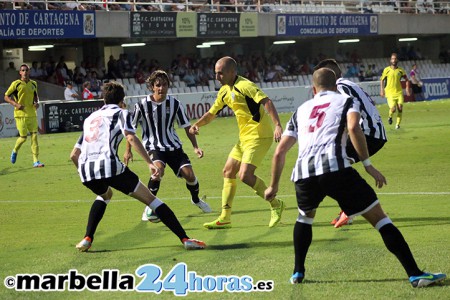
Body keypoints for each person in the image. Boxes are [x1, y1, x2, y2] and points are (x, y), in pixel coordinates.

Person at [265, 67, 446, 287]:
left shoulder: (300, 109)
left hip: (304, 174)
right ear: (336, 85)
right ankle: (415, 274)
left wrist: (273, 186)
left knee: (304, 218)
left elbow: (279, 151)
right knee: (380, 219)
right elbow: (353, 127)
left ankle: (297, 273)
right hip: (336, 168)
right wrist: (368, 165)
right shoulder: (346, 101)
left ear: (313, 88)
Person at [70, 81, 206, 252]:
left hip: (85, 170)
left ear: (104, 99)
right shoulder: (121, 113)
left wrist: (85, 173)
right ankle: (186, 239)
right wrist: (149, 163)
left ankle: (87, 238)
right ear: (122, 100)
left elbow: (74, 154)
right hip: (110, 166)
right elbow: (131, 138)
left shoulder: (90, 118)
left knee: (105, 195)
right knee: (152, 200)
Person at [189, 56, 285, 229]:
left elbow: (266, 101)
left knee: (245, 175)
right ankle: (225, 217)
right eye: (215, 73)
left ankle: (276, 204)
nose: (217, 77)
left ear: (232, 72)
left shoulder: (245, 86)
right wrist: (197, 124)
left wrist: (278, 125)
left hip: (259, 135)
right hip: (244, 138)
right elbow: (211, 113)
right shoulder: (224, 91)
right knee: (228, 171)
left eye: (220, 73)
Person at [123, 70, 212, 219]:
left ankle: (196, 199)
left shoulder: (175, 104)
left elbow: (186, 127)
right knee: (158, 171)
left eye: (164, 85)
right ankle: (149, 207)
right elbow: (130, 131)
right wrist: (128, 150)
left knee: (190, 176)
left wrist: (195, 147)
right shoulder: (142, 105)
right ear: (152, 86)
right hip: (153, 147)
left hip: (174, 146)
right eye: (158, 85)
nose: (161, 88)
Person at [314, 58, 387, 228]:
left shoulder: (341, 86)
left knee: (332, 168)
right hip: (372, 132)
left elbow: (349, 110)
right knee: (335, 167)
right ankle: (349, 209)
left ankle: (351, 209)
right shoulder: (350, 84)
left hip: (368, 134)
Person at [4, 64, 44, 168]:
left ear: (29, 72)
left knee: (34, 136)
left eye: (26, 70)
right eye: (23, 70)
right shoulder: (16, 84)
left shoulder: (33, 84)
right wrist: (16, 104)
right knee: (23, 138)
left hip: (32, 114)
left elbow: (36, 97)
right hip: (20, 114)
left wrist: (36, 103)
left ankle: (36, 161)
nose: (25, 72)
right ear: (20, 72)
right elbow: (6, 96)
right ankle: (15, 150)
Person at [380, 53, 410, 129]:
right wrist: (382, 90)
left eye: (395, 59)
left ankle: (397, 125)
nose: (394, 60)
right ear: (390, 60)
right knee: (393, 109)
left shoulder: (400, 70)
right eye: (392, 59)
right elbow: (382, 80)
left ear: (397, 60)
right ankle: (390, 117)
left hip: (399, 92)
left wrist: (407, 88)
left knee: (400, 108)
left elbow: (407, 80)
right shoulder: (386, 70)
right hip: (389, 93)